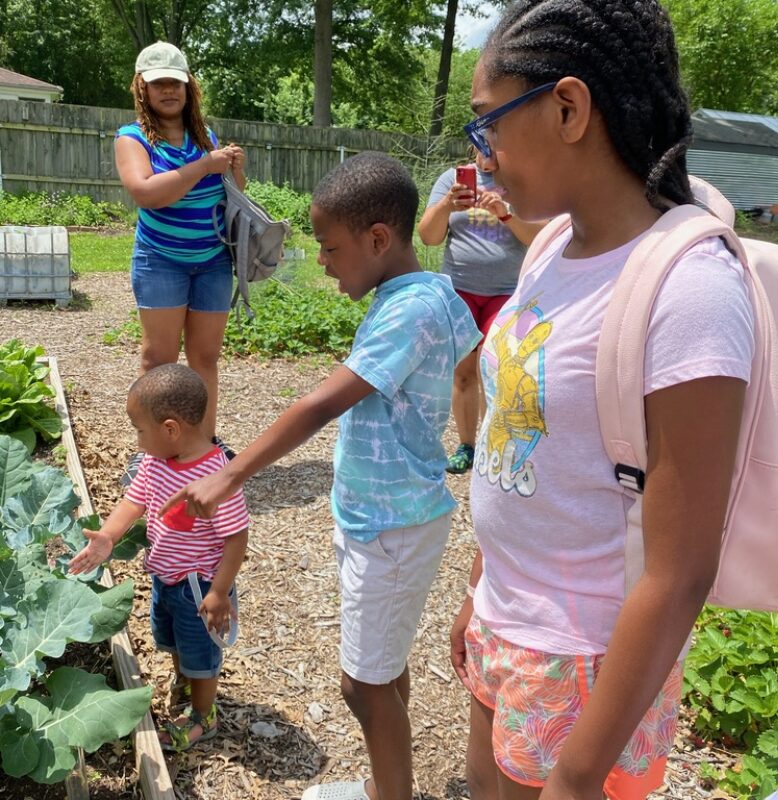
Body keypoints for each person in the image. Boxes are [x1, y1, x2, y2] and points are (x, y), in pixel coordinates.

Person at [448, 2, 755, 799]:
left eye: (488, 125)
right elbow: (530, 447)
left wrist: (580, 774)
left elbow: (682, 568)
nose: (481, 155)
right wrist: (482, 588)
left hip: (584, 658)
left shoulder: (689, 288)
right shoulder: (552, 241)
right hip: (507, 621)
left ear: (568, 107)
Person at [160, 152, 481, 800]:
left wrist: (230, 475)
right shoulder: (432, 293)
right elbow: (469, 360)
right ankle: (386, 784)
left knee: (359, 685)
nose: (325, 262)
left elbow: (320, 403)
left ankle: (387, 795)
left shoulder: (408, 310)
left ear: (378, 239)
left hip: (390, 524)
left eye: (331, 248)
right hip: (396, 515)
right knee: (382, 671)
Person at [69, 363, 249, 752]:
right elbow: (134, 500)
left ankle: (204, 715)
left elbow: (236, 538)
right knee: (174, 641)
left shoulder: (217, 478)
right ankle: (185, 680)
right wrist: (108, 537)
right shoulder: (157, 462)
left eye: (139, 430)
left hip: (199, 589)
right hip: (164, 579)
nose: (137, 442)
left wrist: (219, 593)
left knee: (202, 652)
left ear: (170, 429)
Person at [115, 41, 245, 476]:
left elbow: (231, 198)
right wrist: (204, 166)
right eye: (158, 83)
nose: (168, 90)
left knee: (205, 360)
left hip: (212, 262)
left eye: (176, 82)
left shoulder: (204, 137)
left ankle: (202, 448)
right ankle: (152, 454)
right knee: (159, 361)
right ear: (142, 89)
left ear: (189, 87)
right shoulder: (131, 138)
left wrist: (232, 170)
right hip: (161, 260)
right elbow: (147, 193)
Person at [418, 153, 544, 474]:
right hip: (460, 289)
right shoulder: (452, 180)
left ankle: (493, 445)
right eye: (482, 144)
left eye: (495, 143)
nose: (488, 153)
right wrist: (447, 204)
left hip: (505, 292)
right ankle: (467, 446)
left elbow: (539, 237)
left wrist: (505, 214)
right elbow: (428, 237)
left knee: (496, 371)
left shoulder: (520, 181)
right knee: (463, 373)